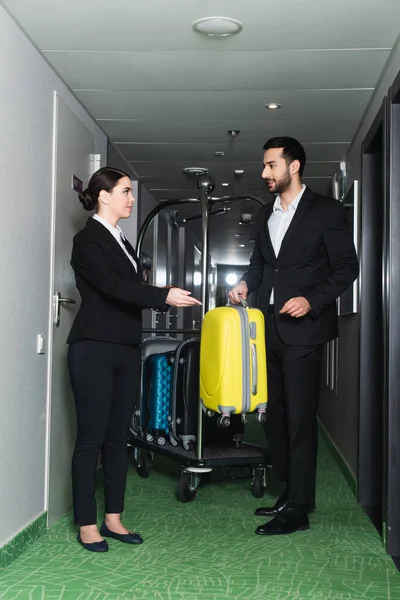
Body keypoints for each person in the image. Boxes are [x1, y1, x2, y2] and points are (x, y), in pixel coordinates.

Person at [228, 137, 359, 536]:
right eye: (264, 166)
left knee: (301, 419)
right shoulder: (267, 213)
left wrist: (312, 300)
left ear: (294, 166)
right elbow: (260, 265)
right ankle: (289, 491)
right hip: (267, 329)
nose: (264, 173)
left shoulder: (326, 211)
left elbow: (346, 267)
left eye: (271, 166)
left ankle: (299, 508)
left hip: (305, 331)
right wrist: (246, 286)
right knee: (275, 416)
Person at [67, 167, 201, 552]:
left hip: (126, 348)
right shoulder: (87, 240)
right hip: (93, 347)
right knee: (90, 440)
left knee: (118, 438)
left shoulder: (121, 240)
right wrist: (163, 295)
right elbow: (112, 288)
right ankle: (86, 524)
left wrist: (160, 295)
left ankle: (114, 519)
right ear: (103, 196)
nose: (131, 198)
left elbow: (129, 286)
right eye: (125, 191)